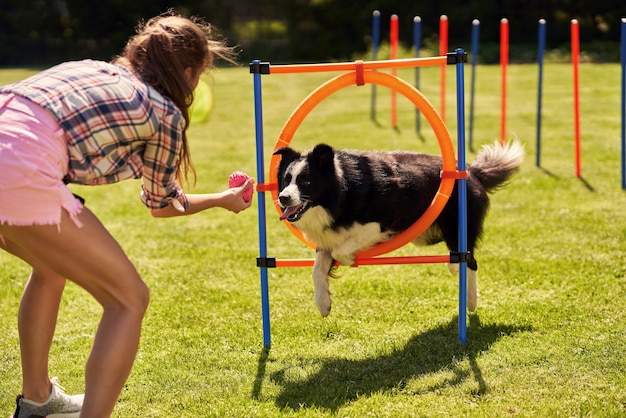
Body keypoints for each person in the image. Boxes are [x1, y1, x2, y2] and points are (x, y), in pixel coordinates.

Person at [0, 10, 254, 418]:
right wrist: (224, 198)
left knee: (50, 266)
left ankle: (37, 401)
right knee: (128, 299)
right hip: (17, 170)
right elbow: (162, 205)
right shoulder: (164, 113)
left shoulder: (93, 68)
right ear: (188, 73)